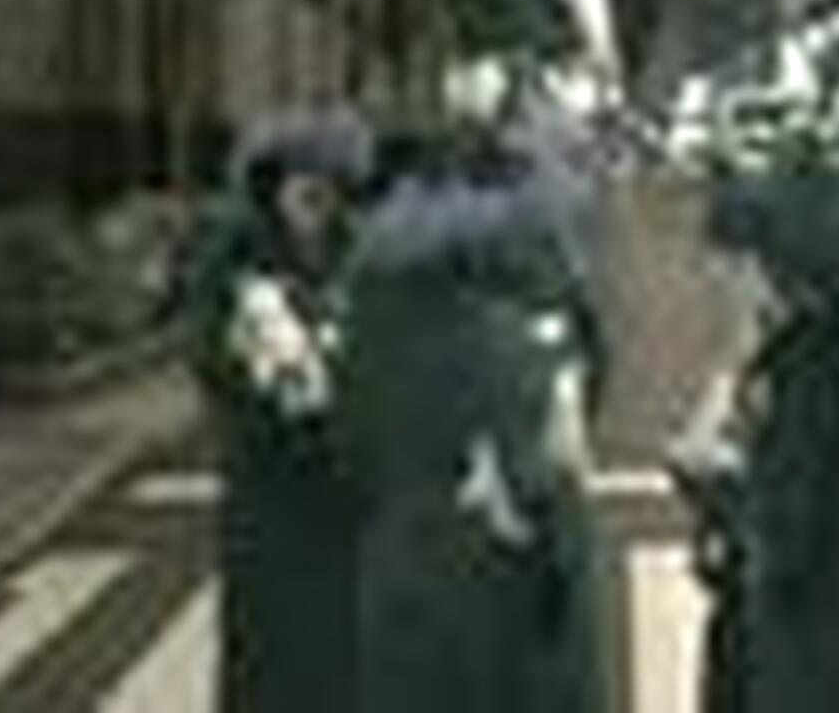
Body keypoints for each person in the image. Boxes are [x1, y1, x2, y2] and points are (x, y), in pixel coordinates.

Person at [332, 115, 604, 713]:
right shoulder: (513, 330)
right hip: (504, 594)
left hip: (402, 576)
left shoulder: (368, 318)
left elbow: (349, 451)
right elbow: (553, 461)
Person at [694, 128, 839, 713]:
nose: (726, 287)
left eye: (736, 269)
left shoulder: (829, 370)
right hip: (811, 637)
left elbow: (790, 527)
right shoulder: (827, 341)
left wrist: (713, 482)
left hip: (801, 660)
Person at [182, 110, 370, 713]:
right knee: (268, 645)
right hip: (267, 487)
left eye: (327, 185)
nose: (315, 198)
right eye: (301, 183)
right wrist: (260, 380)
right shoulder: (235, 258)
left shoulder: (359, 256)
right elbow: (206, 352)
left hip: (341, 492)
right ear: (274, 186)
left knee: (343, 647)